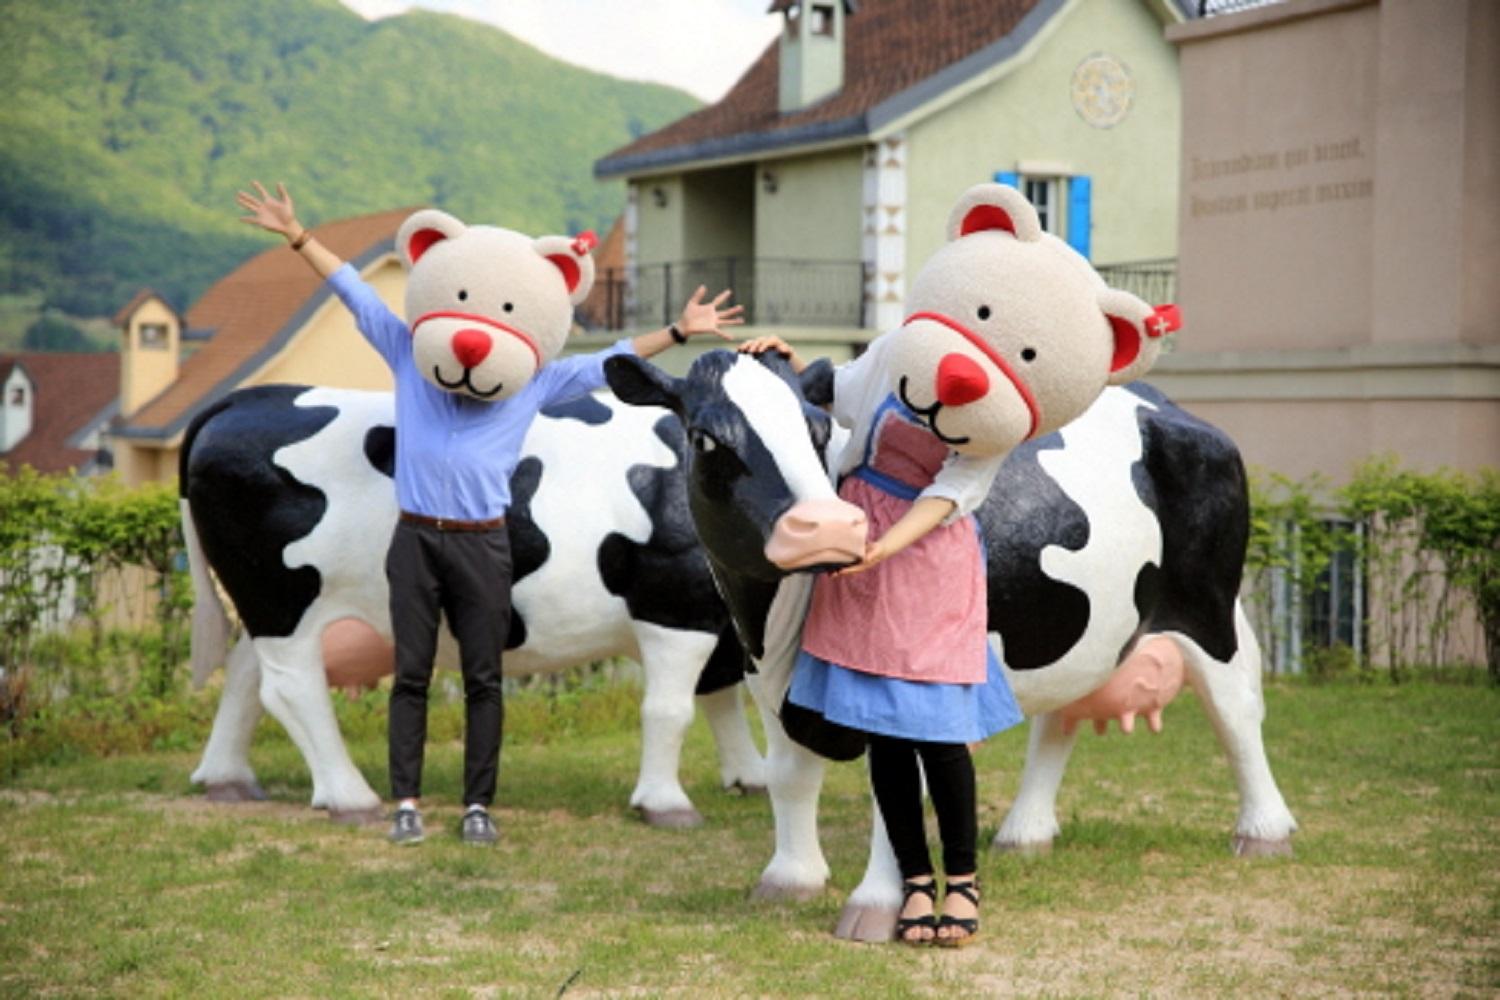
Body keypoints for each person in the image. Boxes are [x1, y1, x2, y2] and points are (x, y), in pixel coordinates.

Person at [237, 181, 743, 846]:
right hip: (414, 539)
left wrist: (678, 330)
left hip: (484, 542)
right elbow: (355, 294)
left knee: (484, 677)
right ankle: (408, 801)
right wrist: (298, 235)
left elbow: (609, 362)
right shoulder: (408, 360)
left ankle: (479, 804)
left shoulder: (536, 380)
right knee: (411, 673)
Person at [738, 332, 1023, 947]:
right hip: (860, 542)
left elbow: (955, 491)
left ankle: (964, 882)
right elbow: (844, 391)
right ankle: (916, 879)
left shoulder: (1005, 399)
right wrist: (790, 363)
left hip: (924, 555)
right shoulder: (904, 351)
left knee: (941, 736)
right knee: (885, 736)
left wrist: (884, 546)